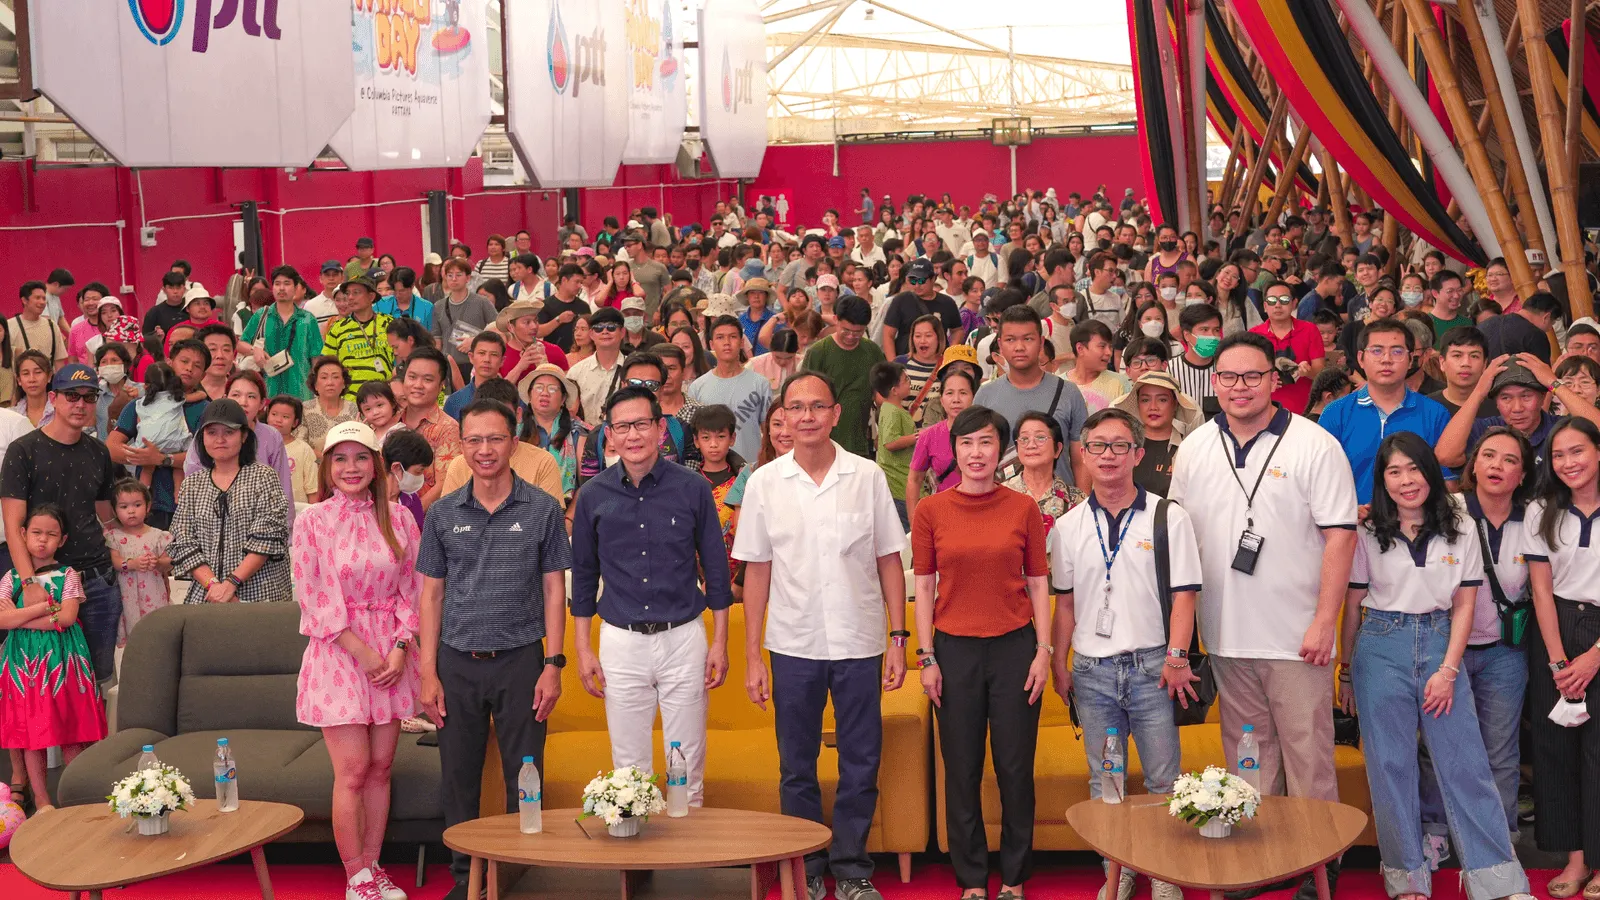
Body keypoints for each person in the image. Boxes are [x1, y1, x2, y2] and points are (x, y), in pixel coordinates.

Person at [1168, 332, 1358, 900]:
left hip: (1298, 635)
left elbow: (1341, 537)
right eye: (1228, 377)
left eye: (1252, 376)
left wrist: (1325, 620)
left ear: (1275, 381)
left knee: (1309, 758)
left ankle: (1320, 865)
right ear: (1213, 382)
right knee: (1247, 754)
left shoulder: (1314, 444)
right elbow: (1179, 540)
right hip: (1226, 633)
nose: (1240, 387)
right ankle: (1260, 862)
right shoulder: (1197, 446)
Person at [1338, 432, 1535, 900]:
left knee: (1465, 761)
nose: (1406, 480)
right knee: (1390, 766)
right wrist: (1346, 670)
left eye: (1414, 469)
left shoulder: (1462, 525)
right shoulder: (1367, 532)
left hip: (1440, 641)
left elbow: (1465, 605)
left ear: (1431, 471)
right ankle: (1407, 879)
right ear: (1382, 481)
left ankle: (1495, 878)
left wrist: (1448, 671)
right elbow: (1353, 604)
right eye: (1394, 471)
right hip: (1380, 644)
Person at [735, 370, 907, 900]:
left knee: (861, 762)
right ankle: (806, 867)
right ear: (781, 417)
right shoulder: (765, 482)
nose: (805, 416)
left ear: (835, 414)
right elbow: (756, 573)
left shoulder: (867, 475)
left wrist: (898, 637)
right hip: (792, 643)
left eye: (817, 406)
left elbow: (888, 560)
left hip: (860, 641)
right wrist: (753, 656)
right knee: (797, 764)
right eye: (795, 407)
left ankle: (853, 869)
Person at [417, 398, 571, 895]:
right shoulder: (441, 514)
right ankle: (466, 879)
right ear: (461, 446)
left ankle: (513, 874)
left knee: (525, 778)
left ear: (514, 441)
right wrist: (427, 671)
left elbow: (554, 588)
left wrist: (553, 664)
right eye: (474, 440)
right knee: (458, 779)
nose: (485, 450)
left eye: (495, 439)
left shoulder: (543, 508)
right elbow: (431, 594)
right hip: (456, 663)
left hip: (522, 661)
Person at [1049, 408, 1202, 900]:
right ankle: (1119, 868)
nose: (1108, 455)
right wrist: (1059, 662)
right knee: (1107, 779)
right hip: (1092, 672)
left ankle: (1163, 870)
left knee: (1163, 778)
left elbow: (1185, 595)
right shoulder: (1068, 526)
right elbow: (1066, 603)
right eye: (1097, 446)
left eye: (1119, 446)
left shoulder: (1168, 515)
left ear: (1138, 454)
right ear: (1084, 455)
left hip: (1153, 668)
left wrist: (1177, 657)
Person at [569, 386, 733, 810]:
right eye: (622, 426)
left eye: (642, 424)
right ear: (609, 433)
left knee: (686, 764)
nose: (633, 435)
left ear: (661, 428)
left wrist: (720, 642)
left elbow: (715, 569)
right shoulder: (593, 495)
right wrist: (583, 649)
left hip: (683, 637)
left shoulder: (692, 488)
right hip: (621, 641)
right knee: (628, 769)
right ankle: (637, 870)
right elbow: (584, 578)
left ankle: (688, 862)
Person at [913, 405, 1051, 900]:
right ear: (954, 449)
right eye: (967, 443)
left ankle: (1013, 877)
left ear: (1002, 450)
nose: (976, 453)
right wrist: (926, 659)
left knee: (1015, 769)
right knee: (962, 768)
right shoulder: (931, 510)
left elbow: (1038, 581)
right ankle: (971, 879)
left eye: (987, 443)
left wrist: (1043, 651)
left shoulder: (1022, 508)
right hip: (953, 651)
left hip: (1015, 648)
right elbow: (924, 586)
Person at [290, 419, 421, 900]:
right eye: (340, 458)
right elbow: (314, 596)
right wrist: (364, 652)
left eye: (361, 457)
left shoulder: (400, 517)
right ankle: (356, 876)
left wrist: (401, 646)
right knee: (353, 769)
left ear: (377, 464)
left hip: (392, 654)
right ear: (326, 466)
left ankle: (374, 866)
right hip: (340, 653)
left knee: (382, 767)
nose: (351, 467)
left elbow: (415, 589)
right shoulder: (313, 520)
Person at [1411, 426, 1536, 867]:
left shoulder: (1536, 517)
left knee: (1499, 749)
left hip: (1506, 652)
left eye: (1509, 460)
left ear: (1523, 474)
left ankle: (1498, 838)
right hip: (1447, 648)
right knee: (1436, 744)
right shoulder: (1449, 511)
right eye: (1488, 456)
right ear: (1473, 465)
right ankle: (1435, 832)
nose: (1497, 466)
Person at [1523, 417, 1600, 898]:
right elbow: (1541, 590)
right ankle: (1574, 859)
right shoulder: (1540, 510)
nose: (1568, 463)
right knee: (1556, 752)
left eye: (1578, 451)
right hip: (1554, 633)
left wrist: (1594, 656)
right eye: (1558, 455)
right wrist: (1557, 661)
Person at [0, 504, 107, 813]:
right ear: (22, 535)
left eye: (51, 534)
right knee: (33, 734)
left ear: (62, 540)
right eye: (36, 533)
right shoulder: (10, 577)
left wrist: (19, 617)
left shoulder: (68, 574)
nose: (42, 540)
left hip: (65, 663)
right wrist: (44, 609)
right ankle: (43, 800)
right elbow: (2, 621)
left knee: (70, 730)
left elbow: (68, 618)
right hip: (25, 666)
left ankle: (74, 797)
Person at [168, 399, 292, 605]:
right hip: (208, 596)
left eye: (229, 432)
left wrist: (231, 583)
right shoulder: (192, 483)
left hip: (260, 595)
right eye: (212, 432)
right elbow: (183, 541)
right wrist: (214, 587)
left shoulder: (263, 476)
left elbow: (267, 537)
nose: (220, 439)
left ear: (244, 436)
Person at [1317, 320, 1453, 504]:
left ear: (1410, 359)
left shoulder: (1435, 414)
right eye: (1377, 351)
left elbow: (1447, 483)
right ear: (1360, 359)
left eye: (1397, 351)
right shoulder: (1335, 413)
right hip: (1354, 524)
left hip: (1417, 526)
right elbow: (1321, 480)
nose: (1386, 359)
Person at [975, 305, 1089, 488]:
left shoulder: (1068, 392)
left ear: (1041, 343)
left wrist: (1081, 509)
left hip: (1059, 508)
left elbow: (1081, 460)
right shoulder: (985, 395)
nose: (1019, 347)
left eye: (1028, 339)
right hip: (1002, 506)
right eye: (1010, 340)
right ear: (1001, 345)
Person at [1437, 355, 1600, 473]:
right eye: (1506, 398)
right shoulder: (1485, 429)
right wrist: (1479, 392)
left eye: (1526, 396)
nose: (1517, 408)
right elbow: (1445, 456)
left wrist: (1553, 383)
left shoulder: (1560, 429)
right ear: (1496, 403)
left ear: (1543, 396)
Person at [438, 378, 562, 503]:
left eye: (503, 414)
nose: (485, 451)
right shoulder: (459, 465)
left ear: (518, 414)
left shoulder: (543, 462)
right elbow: (448, 515)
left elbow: (550, 516)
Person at [800, 296, 885, 459]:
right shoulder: (818, 353)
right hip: (823, 442)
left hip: (860, 440)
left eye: (858, 332)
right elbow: (805, 395)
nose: (852, 336)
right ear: (835, 320)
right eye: (846, 330)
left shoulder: (872, 352)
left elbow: (881, 395)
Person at [687, 316, 772, 463]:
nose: (727, 343)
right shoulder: (697, 387)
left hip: (751, 468)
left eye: (733, 337)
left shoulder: (760, 384)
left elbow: (769, 431)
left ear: (742, 342)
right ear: (711, 344)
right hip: (711, 472)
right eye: (720, 337)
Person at [1110, 371, 1201, 497]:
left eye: (1162, 400)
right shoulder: (1122, 447)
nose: (1153, 407)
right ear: (1138, 404)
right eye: (1145, 400)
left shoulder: (1189, 449)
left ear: (1175, 404)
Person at [106, 479, 172, 644]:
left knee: (157, 636)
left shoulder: (158, 535)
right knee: (133, 637)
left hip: (154, 593)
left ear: (148, 506)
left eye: (137, 505)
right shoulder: (113, 536)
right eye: (124, 507)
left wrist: (158, 563)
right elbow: (115, 561)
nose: (131, 511)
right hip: (127, 597)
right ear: (115, 510)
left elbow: (169, 563)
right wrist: (132, 564)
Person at [1002, 410, 1087, 534]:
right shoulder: (1001, 495)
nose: (1031, 445)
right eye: (1024, 439)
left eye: (1040, 438)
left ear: (1057, 449)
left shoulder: (1077, 500)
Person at [397, 348, 461, 510]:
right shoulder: (389, 419)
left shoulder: (447, 427)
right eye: (412, 377)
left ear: (441, 386)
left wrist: (410, 516)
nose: (418, 385)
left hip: (423, 520)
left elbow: (445, 484)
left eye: (427, 379)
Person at [1251, 280, 1324, 414]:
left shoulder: (1309, 330)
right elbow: (1248, 374)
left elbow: (1320, 372)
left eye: (1284, 299)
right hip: (1265, 410)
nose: (1278, 305)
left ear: (1294, 303)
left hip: (1305, 409)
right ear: (1265, 306)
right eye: (1272, 300)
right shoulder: (1254, 335)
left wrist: (1308, 372)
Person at [520, 364, 587, 502]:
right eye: (539, 387)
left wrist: (569, 518)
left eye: (552, 389)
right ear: (529, 395)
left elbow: (586, 484)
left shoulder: (578, 433)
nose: (545, 393)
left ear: (563, 399)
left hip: (565, 510)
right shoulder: (514, 432)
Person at [882, 258, 962, 357]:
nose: (917, 285)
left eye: (921, 281)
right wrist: (893, 364)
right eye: (913, 280)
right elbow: (888, 334)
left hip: (937, 363)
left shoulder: (947, 303)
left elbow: (958, 330)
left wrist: (949, 353)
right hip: (906, 362)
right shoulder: (900, 301)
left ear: (933, 279)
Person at [870, 362, 916, 530]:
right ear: (894, 390)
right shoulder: (891, 411)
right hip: (897, 484)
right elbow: (890, 442)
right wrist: (917, 436)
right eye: (905, 380)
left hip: (901, 480)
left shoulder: (893, 409)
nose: (909, 382)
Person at [569, 308, 626, 428]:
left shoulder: (633, 368)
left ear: (622, 333)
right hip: (586, 437)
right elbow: (569, 413)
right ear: (591, 334)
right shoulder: (576, 372)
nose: (605, 331)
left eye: (611, 327)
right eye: (598, 328)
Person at [267, 395, 321, 506]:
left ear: (295, 423)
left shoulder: (304, 449)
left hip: (297, 512)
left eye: (285, 417)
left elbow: (312, 489)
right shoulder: (256, 445)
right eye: (274, 414)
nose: (278, 420)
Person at [1479, 292, 1560, 364]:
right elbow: (1542, 376)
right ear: (1546, 317)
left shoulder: (1484, 325)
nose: (1549, 329)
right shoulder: (1536, 335)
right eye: (1552, 323)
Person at [302, 357, 360, 455]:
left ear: (344, 383)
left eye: (336, 377)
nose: (330, 383)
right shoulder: (304, 409)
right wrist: (328, 461)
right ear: (315, 384)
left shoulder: (355, 409)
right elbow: (300, 445)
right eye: (324, 377)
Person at [1430, 326, 1490, 419]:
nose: (1466, 363)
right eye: (1457, 355)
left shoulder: (1500, 407)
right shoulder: (1425, 408)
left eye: (1474, 356)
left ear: (1484, 364)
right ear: (1442, 362)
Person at [11, 282, 66, 375]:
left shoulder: (51, 326)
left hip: (47, 386)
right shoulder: (9, 326)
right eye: (37, 298)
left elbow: (59, 361)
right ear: (24, 300)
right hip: (17, 386)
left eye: (44, 298)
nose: (42, 302)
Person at [375, 266, 434, 332]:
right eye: (395, 290)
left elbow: (431, 337)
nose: (397, 295)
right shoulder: (379, 305)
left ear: (412, 286)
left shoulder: (427, 307)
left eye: (402, 291)